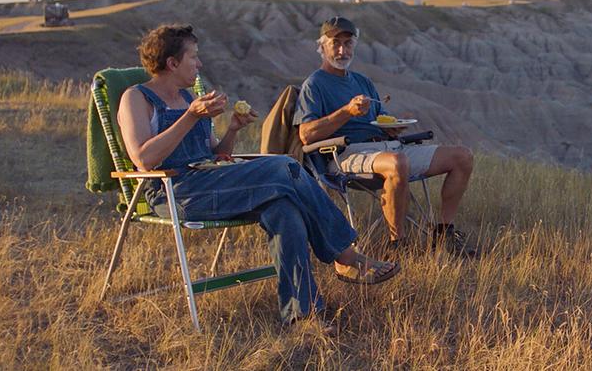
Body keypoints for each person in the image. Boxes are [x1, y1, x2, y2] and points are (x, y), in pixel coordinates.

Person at [116, 24, 399, 332]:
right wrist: (192, 117)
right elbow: (143, 158)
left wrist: (233, 129)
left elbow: (215, 155)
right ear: (172, 63)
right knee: (283, 166)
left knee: (284, 209)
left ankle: (301, 315)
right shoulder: (137, 99)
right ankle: (345, 255)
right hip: (175, 192)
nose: (199, 64)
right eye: (194, 57)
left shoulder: (187, 98)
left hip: (212, 183)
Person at [293, 17, 477, 257]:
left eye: (348, 43)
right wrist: (346, 112)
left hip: (387, 146)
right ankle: (397, 245)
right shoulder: (314, 84)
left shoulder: (362, 82)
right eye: (335, 43)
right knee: (397, 162)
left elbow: (382, 118)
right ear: (322, 46)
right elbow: (306, 135)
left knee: (462, 157)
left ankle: (443, 235)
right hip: (345, 154)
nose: (342, 50)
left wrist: (392, 127)